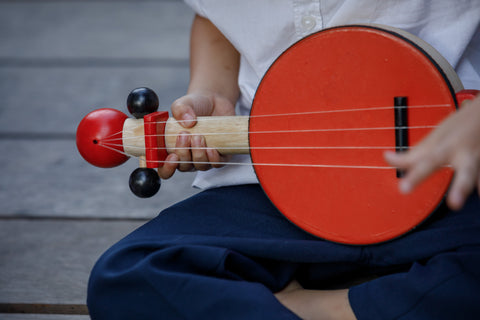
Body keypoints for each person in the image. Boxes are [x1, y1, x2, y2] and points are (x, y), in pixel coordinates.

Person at [87, 1, 480, 319]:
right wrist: (211, 91)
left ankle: (307, 309)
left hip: (450, 182)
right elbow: (215, 16)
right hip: (273, 187)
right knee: (127, 277)